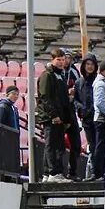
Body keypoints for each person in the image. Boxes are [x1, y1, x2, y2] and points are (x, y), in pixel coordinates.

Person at [36, 48, 76, 181]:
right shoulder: (47, 75)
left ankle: (48, 173)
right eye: (58, 59)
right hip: (51, 117)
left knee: (56, 144)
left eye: (63, 60)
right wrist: (54, 115)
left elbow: (62, 99)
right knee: (52, 145)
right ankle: (54, 172)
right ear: (52, 59)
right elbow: (45, 97)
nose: (61, 62)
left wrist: (66, 117)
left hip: (59, 116)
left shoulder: (60, 75)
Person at [88, 59, 105, 182]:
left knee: (103, 147)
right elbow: (99, 102)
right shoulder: (101, 84)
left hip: (103, 119)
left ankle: (101, 172)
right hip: (101, 119)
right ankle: (98, 172)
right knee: (100, 147)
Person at [73, 54, 99, 177]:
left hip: (97, 117)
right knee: (92, 145)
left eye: (92, 64)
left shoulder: (98, 80)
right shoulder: (79, 82)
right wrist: (81, 108)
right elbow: (76, 99)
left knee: (98, 144)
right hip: (86, 119)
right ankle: (94, 171)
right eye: (87, 64)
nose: (90, 67)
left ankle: (99, 170)